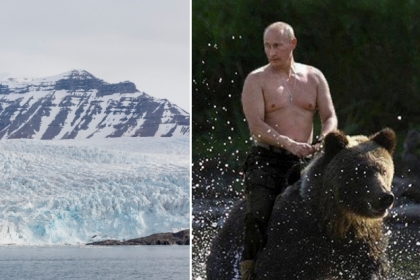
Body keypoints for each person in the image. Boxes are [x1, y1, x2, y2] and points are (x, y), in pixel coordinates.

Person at [240, 21, 338, 279]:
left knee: (322, 216)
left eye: (277, 46)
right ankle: (247, 270)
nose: (271, 52)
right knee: (258, 215)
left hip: (305, 162)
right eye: (267, 46)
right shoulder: (256, 80)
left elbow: (329, 116)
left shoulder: (314, 77)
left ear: (292, 44)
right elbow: (256, 127)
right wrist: (289, 143)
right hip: (266, 159)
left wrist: (324, 139)